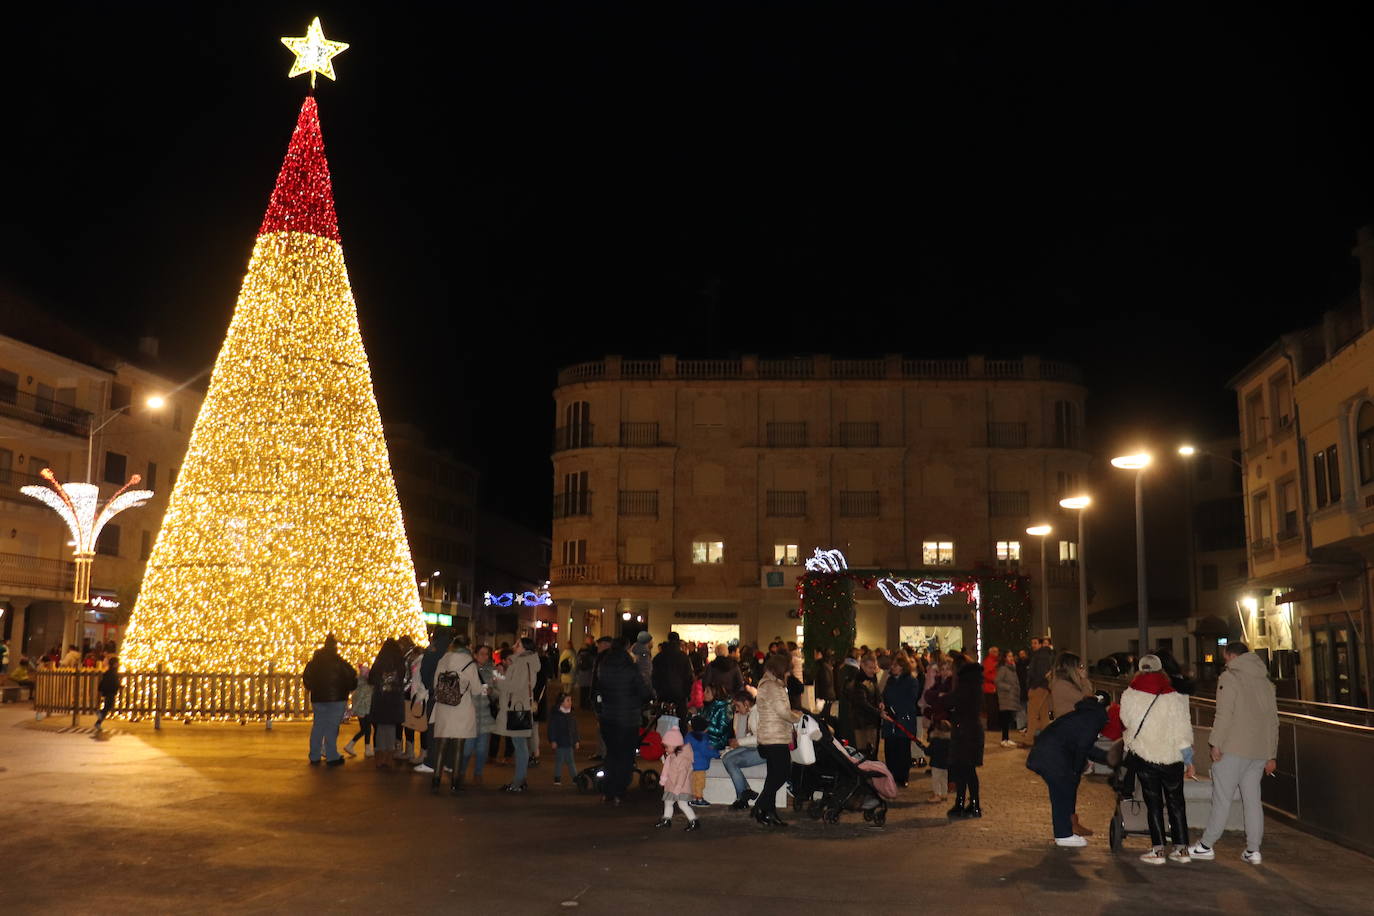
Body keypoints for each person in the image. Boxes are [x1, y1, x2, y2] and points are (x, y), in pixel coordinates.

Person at [1189, 642, 1278, 866]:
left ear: (1230, 655)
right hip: (1258, 751)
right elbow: (1273, 721)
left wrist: (1215, 743)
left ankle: (1206, 845)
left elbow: (1224, 714)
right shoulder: (1266, 682)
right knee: (1252, 801)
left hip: (1233, 749)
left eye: (1225, 657)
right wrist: (1271, 754)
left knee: (1222, 799)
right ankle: (1253, 850)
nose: (1225, 661)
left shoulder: (1230, 678)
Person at [1120, 654, 1195, 865]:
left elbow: (1126, 721)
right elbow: (1183, 728)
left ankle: (1158, 849)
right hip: (1172, 756)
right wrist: (1188, 758)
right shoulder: (1174, 695)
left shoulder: (1130, 693)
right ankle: (1182, 849)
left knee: (1153, 803)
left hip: (1146, 754)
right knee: (1176, 802)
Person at [1027, 692, 1110, 846]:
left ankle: (1069, 826)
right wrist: (1075, 770)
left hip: (1046, 754)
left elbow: (1085, 746)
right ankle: (1063, 835)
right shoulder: (1095, 719)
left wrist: (1107, 757)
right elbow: (1083, 747)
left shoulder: (1083, 715)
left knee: (1063, 790)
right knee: (1061, 792)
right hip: (1051, 757)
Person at [428, 634, 485, 793]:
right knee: (459, 746)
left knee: (442, 745)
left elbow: (435, 683)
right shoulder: (469, 663)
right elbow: (476, 689)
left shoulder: (443, 659)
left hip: (444, 706)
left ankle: (436, 780)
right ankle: (455, 782)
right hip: (461, 707)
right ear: (467, 646)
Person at [596, 637, 648, 805]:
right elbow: (643, 691)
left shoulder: (603, 666)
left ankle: (607, 790)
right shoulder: (631, 668)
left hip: (608, 717)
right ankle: (619, 790)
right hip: (628, 719)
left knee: (611, 753)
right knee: (625, 756)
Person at [752, 652, 801, 827]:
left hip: (770, 735)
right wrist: (797, 716)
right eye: (788, 670)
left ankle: (769, 812)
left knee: (773, 775)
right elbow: (782, 712)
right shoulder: (772, 686)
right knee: (782, 773)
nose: (789, 673)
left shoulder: (769, 683)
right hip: (775, 737)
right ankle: (759, 806)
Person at [491, 636, 540, 793]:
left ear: (525, 648)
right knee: (520, 745)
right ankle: (520, 780)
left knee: (519, 746)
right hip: (518, 706)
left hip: (516, 709)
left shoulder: (522, 663)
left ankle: (518, 782)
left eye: (518, 644)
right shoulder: (522, 662)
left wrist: (498, 678)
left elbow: (514, 686)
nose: (514, 645)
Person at [302, 634, 357, 767]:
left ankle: (314, 755)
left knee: (318, 726)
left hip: (318, 698)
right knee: (332, 728)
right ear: (335, 647)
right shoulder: (339, 662)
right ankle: (331, 755)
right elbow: (351, 675)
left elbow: (307, 679)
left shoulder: (314, 663)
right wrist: (348, 688)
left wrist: (314, 688)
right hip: (336, 699)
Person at [947, 651, 985, 818]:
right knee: (966, 769)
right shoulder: (974, 682)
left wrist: (943, 699)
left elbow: (955, 701)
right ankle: (969, 803)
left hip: (965, 731)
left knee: (964, 768)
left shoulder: (965, 684)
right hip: (971, 729)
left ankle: (966, 803)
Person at [413, 627, 454, 775]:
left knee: (433, 729)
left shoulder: (432, 650)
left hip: (435, 695)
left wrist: (430, 687)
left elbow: (425, 672)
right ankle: (449, 763)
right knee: (449, 730)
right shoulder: (452, 649)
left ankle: (431, 762)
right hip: (453, 696)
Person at [458, 645, 497, 785]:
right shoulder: (469, 670)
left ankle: (478, 774)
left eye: (487, 654)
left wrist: (493, 692)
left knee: (482, 750)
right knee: (467, 749)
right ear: (475, 654)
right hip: (471, 716)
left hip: (486, 716)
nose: (484, 657)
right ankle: (461, 772)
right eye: (481, 654)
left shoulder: (492, 671)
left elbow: (499, 689)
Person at [881, 655, 920, 787]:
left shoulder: (911, 681)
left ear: (903, 668)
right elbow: (885, 696)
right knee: (890, 749)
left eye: (896, 665)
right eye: (893, 665)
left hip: (903, 720)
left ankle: (902, 776)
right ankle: (891, 775)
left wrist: (896, 711)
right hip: (890, 720)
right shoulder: (890, 681)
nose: (893, 668)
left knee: (902, 749)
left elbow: (911, 700)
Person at [369, 638, 409, 769]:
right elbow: (404, 677)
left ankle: (379, 757)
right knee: (391, 728)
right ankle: (389, 757)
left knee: (380, 728)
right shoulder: (399, 661)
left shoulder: (379, 661)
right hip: (394, 698)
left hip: (380, 698)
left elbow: (371, 678)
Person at [654, 726, 700, 831]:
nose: (665, 749)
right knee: (668, 802)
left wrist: (678, 787)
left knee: (682, 804)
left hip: (681, 787)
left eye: (667, 747)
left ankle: (693, 821)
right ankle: (666, 819)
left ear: (674, 745)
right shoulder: (672, 756)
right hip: (671, 785)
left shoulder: (682, 758)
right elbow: (668, 769)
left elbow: (682, 774)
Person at [723, 691, 762, 809]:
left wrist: (739, 742)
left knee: (730, 761)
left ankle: (742, 797)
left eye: (738, 706)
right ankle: (746, 792)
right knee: (726, 758)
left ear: (746, 703)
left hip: (763, 750)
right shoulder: (753, 712)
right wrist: (739, 742)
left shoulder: (757, 713)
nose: (737, 709)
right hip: (754, 746)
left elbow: (760, 737)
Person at [923, 660, 954, 804]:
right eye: (943, 669)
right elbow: (928, 695)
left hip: (947, 723)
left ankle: (943, 790)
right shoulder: (938, 682)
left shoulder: (952, 684)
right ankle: (941, 791)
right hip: (938, 721)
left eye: (948, 669)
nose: (945, 672)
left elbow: (948, 701)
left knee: (945, 758)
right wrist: (938, 696)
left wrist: (940, 697)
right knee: (939, 757)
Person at [848, 654, 882, 758]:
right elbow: (862, 703)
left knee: (872, 750)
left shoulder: (872, 678)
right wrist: (879, 712)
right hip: (861, 722)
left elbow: (877, 693)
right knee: (863, 752)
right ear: (862, 665)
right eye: (870, 667)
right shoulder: (858, 680)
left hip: (872, 720)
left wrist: (880, 701)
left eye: (874, 667)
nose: (872, 670)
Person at [652, 632, 693, 718]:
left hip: (663, 693)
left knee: (662, 720)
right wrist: (687, 693)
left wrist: (658, 689)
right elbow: (689, 677)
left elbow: (654, 676)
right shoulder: (684, 657)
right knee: (680, 720)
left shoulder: (659, 657)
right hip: (680, 694)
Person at [1026, 636, 1055, 742]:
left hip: (1038, 687)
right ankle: (1046, 739)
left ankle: (1029, 739)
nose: (1033, 645)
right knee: (1044, 715)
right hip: (1045, 687)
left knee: (1032, 713)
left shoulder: (1040, 655)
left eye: (1035, 643)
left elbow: (1040, 672)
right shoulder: (1049, 655)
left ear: (1040, 644)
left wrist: (1034, 685)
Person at [685, 715, 718, 806]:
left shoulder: (688, 736)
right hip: (700, 765)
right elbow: (707, 751)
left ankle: (693, 797)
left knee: (693, 782)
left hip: (690, 764)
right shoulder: (703, 738)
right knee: (700, 783)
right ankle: (699, 799)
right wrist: (717, 754)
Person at [548, 691, 580, 786]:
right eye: (568, 700)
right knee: (559, 761)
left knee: (571, 761)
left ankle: (575, 778)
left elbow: (575, 729)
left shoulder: (571, 715)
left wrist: (576, 740)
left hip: (569, 743)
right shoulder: (556, 716)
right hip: (560, 743)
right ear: (561, 703)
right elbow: (552, 729)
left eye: (570, 700)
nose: (570, 702)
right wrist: (553, 740)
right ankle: (557, 778)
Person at [1051, 652, 1094, 720]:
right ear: (1072, 668)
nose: (1083, 669)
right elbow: (1087, 700)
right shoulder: (1062, 685)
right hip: (1069, 725)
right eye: (1080, 666)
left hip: (1071, 723)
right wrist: (1084, 679)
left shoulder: (1064, 683)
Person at [343, 664, 374, 758]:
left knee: (365, 729)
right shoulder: (365, 686)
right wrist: (353, 710)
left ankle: (361, 747)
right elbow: (360, 699)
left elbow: (356, 698)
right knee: (366, 730)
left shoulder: (359, 685)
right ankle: (353, 745)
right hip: (365, 710)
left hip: (362, 710)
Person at [996, 651, 1021, 747]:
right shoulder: (1003, 668)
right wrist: (1008, 688)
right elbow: (998, 681)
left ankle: (1007, 738)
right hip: (1005, 697)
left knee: (1008, 718)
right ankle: (1004, 738)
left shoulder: (1012, 669)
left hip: (1011, 697)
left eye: (1012, 656)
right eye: (1009, 656)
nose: (1011, 658)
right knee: (1005, 718)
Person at [93, 655, 121, 733]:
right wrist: (118, 686)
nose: (119, 664)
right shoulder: (112, 672)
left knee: (107, 707)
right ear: (115, 664)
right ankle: (99, 714)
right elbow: (114, 682)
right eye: (117, 663)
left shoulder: (110, 671)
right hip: (110, 691)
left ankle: (98, 722)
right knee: (108, 706)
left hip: (108, 691)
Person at [812, 648, 836, 720]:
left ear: (820, 654)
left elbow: (826, 682)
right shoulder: (826, 665)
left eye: (815, 653)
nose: (814, 656)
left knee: (823, 716)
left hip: (825, 696)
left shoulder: (823, 666)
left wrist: (819, 696)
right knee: (825, 716)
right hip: (828, 695)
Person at [981, 647, 1001, 730]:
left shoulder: (994, 661)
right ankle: (992, 726)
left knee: (994, 708)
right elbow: (986, 674)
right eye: (995, 652)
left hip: (993, 687)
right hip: (990, 688)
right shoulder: (989, 662)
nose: (997, 653)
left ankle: (994, 725)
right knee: (992, 708)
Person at [575, 639, 597, 710]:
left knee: (582, 691)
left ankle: (582, 704)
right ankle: (587, 705)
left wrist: (577, 672)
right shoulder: (591, 654)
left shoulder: (580, 654)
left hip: (582, 674)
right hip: (588, 674)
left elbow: (577, 664)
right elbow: (593, 663)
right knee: (588, 691)